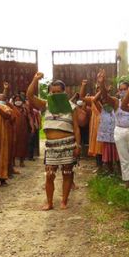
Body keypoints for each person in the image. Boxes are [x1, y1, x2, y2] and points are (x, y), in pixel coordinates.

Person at [26, 72, 82, 210]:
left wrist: (78, 145)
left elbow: (76, 127)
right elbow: (29, 96)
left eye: (58, 91)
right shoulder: (46, 104)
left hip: (68, 143)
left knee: (67, 173)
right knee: (49, 175)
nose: (56, 94)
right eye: (53, 92)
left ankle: (64, 201)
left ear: (64, 92)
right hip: (51, 146)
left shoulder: (72, 107)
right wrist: (35, 79)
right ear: (50, 93)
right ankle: (50, 202)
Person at [95, 79, 119, 175]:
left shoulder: (115, 101)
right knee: (108, 153)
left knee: (117, 153)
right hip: (106, 133)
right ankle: (110, 171)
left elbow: (107, 97)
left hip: (115, 131)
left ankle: (120, 171)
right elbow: (94, 100)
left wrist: (104, 90)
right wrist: (101, 89)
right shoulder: (100, 105)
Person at [9, 94, 31, 168]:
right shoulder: (11, 109)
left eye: (19, 100)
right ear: (14, 101)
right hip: (14, 130)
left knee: (23, 145)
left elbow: (29, 118)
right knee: (13, 145)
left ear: (22, 101)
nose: (18, 101)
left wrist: (32, 127)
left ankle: (22, 161)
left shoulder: (25, 109)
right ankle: (13, 162)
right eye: (16, 100)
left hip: (23, 130)